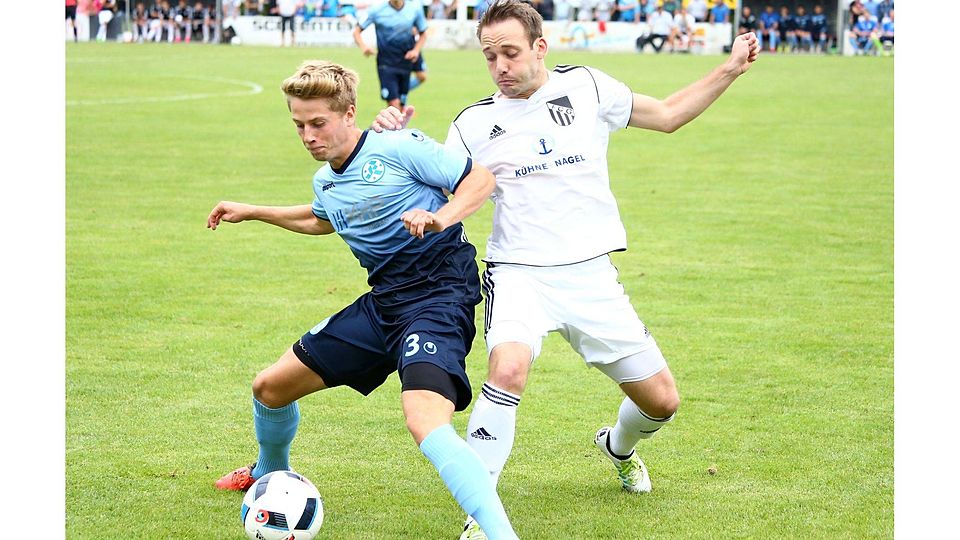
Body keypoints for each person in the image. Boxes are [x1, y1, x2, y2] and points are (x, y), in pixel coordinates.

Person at [372, 1, 759, 538]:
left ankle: (618, 447)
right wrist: (388, 137)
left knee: (662, 402)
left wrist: (729, 69)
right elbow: (433, 185)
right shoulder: (473, 124)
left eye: (510, 52)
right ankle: (482, 518)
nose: (501, 65)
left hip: (591, 277)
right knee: (506, 370)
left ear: (539, 47)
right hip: (519, 273)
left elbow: (668, 116)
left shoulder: (588, 88)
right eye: (490, 57)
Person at [209, 60, 519, 540]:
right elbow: (323, 218)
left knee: (424, 421)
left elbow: (479, 180)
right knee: (269, 388)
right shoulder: (327, 181)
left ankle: (501, 535)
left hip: (439, 295)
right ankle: (268, 473)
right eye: (299, 125)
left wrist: (443, 217)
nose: (309, 135)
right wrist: (253, 211)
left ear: (349, 113)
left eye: (318, 123)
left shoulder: (400, 148)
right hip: (386, 303)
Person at [352, 0, 427, 113]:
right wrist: (364, 47)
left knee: (401, 110)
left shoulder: (414, 9)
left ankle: (384, 129)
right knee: (394, 107)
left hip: (405, 62)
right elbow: (356, 31)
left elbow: (423, 33)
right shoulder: (376, 10)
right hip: (386, 63)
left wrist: (416, 51)